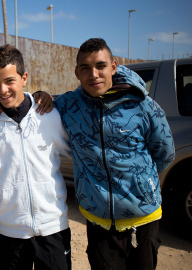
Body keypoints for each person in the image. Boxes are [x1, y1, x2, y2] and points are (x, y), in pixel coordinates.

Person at [54, 38, 175, 270]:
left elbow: (165, 153)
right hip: (98, 216)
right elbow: (31, 105)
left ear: (114, 66)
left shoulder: (144, 106)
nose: (94, 74)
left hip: (144, 214)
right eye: (85, 68)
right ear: (77, 73)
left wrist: (141, 181)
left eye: (100, 65)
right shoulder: (67, 105)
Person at [0, 44, 72, 270]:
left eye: (9, 81)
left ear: (24, 77)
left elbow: (79, 153)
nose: (2, 90)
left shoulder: (50, 114)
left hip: (53, 229)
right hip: (8, 234)